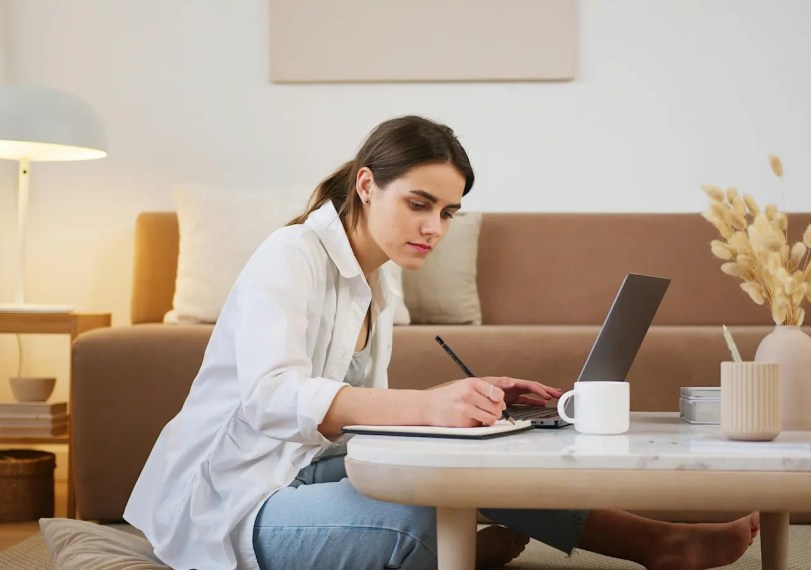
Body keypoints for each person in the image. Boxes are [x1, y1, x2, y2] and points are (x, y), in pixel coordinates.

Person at [125, 115, 760, 570]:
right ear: (368, 185)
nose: (434, 228)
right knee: (422, 521)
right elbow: (270, 398)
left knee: (480, 462)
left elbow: (353, 415)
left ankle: (656, 542)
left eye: (448, 213)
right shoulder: (290, 255)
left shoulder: (379, 281)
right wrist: (431, 408)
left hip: (298, 468)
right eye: (419, 204)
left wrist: (463, 404)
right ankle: (460, 553)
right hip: (229, 500)